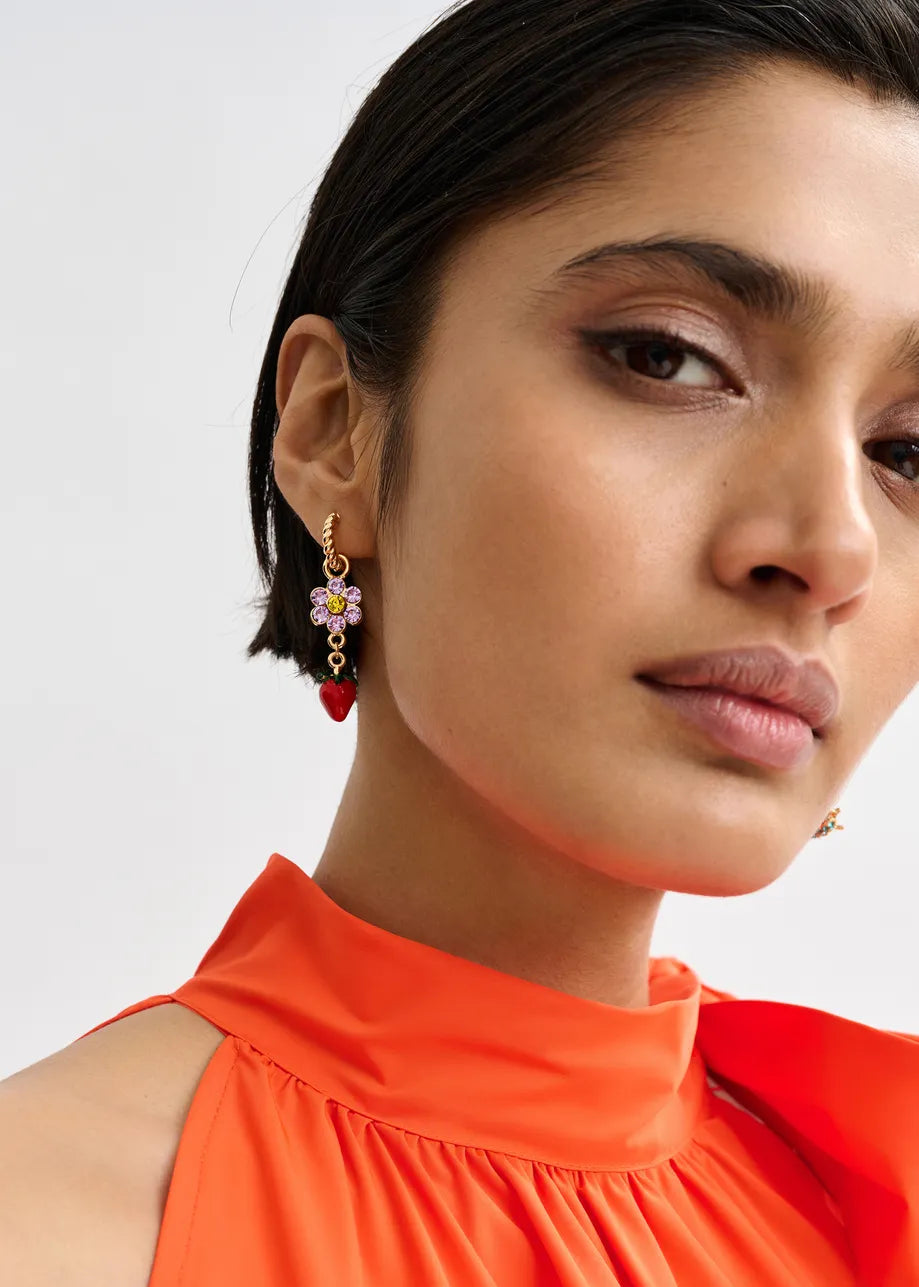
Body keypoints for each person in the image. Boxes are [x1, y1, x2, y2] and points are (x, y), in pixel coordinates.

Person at [3, 0, 919, 1282]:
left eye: (907, 454)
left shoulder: (882, 1192)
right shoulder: (52, 1233)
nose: (831, 550)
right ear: (335, 433)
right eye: (669, 357)